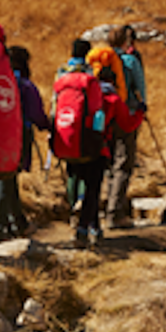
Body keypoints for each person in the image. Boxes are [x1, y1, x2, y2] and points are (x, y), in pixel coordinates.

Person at [55, 39, 132, 249]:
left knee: (76, 177)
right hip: (92, 143)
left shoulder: (62, 75)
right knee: (93, 188)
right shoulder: (91, 81)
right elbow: (100, 115)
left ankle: (88, 223)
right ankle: (84, 229)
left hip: (67, 138)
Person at [0, 44, 50, 244]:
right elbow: (37, 115)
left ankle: (18, 223)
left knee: (8, 179)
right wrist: (47, 125)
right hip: (18, 136)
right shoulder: (25, 85)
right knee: (7, 178)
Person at [101, 25, 148, 228]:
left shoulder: (102, 60)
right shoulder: (129, 60)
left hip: (103, 117)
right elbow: (140, 88)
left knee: (107, 162)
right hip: (125, 115)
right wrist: (142, 109)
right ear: (125, 41)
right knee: (123, 162)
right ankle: (115, 213)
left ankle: (99, 207)